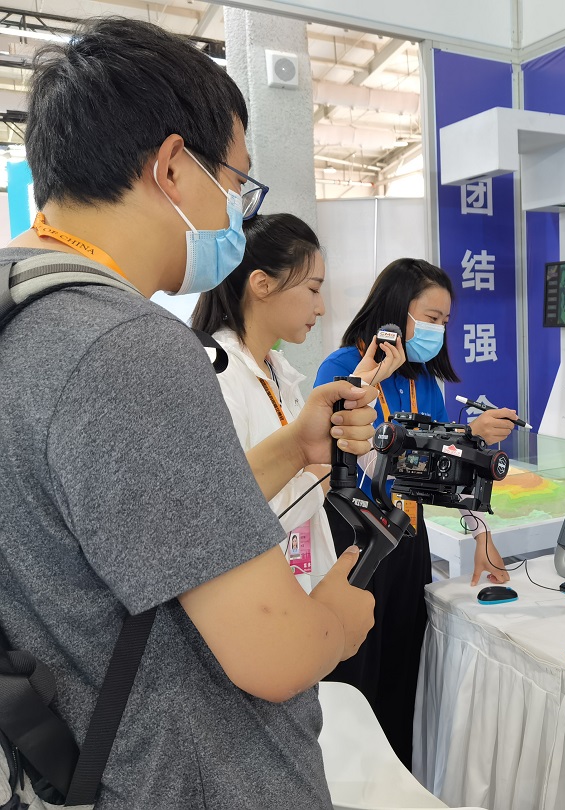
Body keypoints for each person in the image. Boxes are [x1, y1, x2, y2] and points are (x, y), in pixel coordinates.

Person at [0, 19, 381, 808]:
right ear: (174, 166)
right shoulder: (124, 344)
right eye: (237, 181)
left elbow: (137, 528)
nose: (237, 208)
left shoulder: (21, 303)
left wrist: (291, 446)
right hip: (187, 778)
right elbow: (275, 653)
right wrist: (339, 621)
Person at [314, 257, 518, 766]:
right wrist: (375, 375)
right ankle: (348, 781)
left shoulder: (425, 381)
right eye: (431, 317)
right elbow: (346, 453)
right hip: (355, 537)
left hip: (408, 536)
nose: (438, 330)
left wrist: (481, 532)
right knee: (355, 670)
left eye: (445, 321)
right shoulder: (341, 369)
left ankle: (399, 778)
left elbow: (443, 469)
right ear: (395, 310)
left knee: (404, 668)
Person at [190, 212, 405, 592]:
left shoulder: (276, 369)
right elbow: (228, 520)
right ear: (262, 284)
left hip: (293, 583)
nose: (321, 308)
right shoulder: (218, 376)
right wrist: (320, 469)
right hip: (253, 596)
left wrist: (360, 384)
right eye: (313, 289)